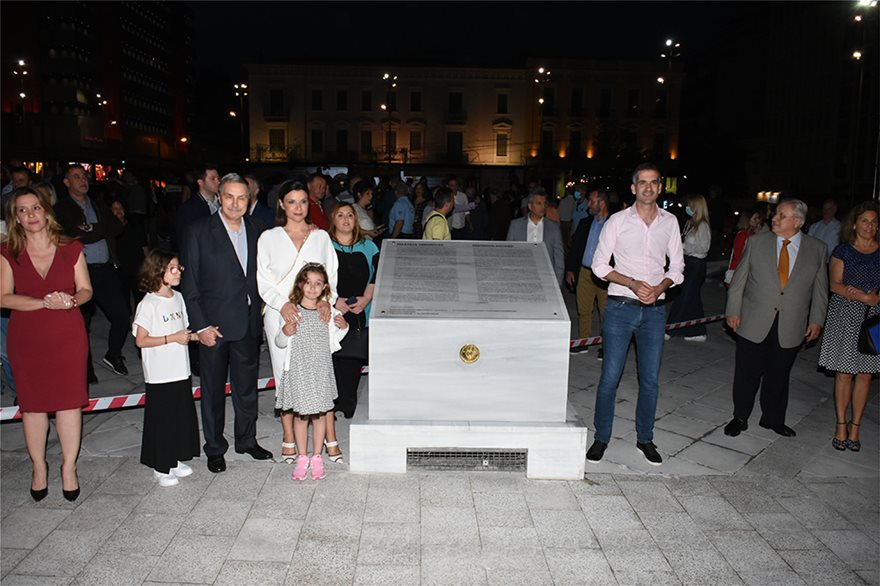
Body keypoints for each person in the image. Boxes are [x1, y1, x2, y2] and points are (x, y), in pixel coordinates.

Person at [586, 163, 685, 466]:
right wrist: (632, 283)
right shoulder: (617, 221)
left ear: (660, 187)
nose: (648, 187)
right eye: (642, 182)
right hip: (620, 308)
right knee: (610, 377)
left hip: (655, 311)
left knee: (650, 380)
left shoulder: (670, 222)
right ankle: (601, 437)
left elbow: (677, 267)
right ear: (633, 188)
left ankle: (645, 438)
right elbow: (599, 265)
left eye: (654, 182)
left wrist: (660, 287)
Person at [1, 187, 93, 501]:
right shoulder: (7, 252)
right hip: (27, 336)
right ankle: (38, 467)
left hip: (67, 334)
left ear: (46, 210)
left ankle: (69, 467)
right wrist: (44, 303)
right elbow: (3, 297)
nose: (31, 215)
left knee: (69, 403)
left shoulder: (71, 247)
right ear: (15, 217)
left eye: (35, 208)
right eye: (22, 210)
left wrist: (71, 301)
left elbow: (86, 290)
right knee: (33, 406)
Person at [180, 173, 273, 473]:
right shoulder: (198, 231)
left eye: (241, 197)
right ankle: (215, 448)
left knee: (247, 389)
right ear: (219, 197)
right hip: (214, 328)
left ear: (250, 199)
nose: (235, 203)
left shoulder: (259, 230)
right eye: (229, 196)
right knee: (213, 391)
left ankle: (246, 440)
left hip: (247, 324)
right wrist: (201, 327)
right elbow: (190, 285)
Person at [724, 199, 828, 439]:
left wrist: (816, 320)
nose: (774, 218)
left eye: (782, 215)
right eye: (776, 214)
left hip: (791, 323)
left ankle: (773, 419)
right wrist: (733, 310)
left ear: (797, 222)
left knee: (779, 375)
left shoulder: (817, 249)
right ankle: (740, 417)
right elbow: (739, 280)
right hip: (754, 320)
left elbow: (821, 290)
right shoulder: (757, 242)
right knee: (746, 374)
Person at [257, 180, 338, 464]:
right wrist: (282, 304)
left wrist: (327, 300)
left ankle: (322, 436)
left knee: (316, 372)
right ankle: (288, 436)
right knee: (285, 373)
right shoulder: (269, 237)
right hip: (280, 313)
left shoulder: (321, 237)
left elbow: (331, 275)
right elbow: (263, 280)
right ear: (281, 204)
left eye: (303, 201)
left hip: (315, 314)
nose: (298, 208)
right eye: (291, 202)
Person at [274, 263, 348, 481]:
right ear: (300, 284)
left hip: (320, 370)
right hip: (298, 371)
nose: (313, 288)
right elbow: (279, 342)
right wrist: (285, 332)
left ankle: (317, 456)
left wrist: (344, 328)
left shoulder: (328, 312)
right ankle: (302, 456)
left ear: (324, 286)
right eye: (308, 283)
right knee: (300, 416)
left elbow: (334, 341)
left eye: (318, 283)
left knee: (319, 416)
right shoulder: (291, 311)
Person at [55, 164, 130, 379]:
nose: (83, 180)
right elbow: (67, 235)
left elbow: (116, 227)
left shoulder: (97, 204)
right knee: (81, 322)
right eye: (76, 176)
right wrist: (94, 231)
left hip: (105, 268)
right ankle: (85, 366)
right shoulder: (61, 209)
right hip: (80, 273)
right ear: (67, 182)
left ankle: (113, 354)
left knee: (122, 315)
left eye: (84, 175)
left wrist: (90, 230)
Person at [133, 250, 200, 487]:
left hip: (180, 368)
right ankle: (161, 466)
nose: (178, 272)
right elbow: (141, 340)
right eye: (173, 268)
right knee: (162, 419)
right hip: (160, 373)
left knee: (179, 416)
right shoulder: (148, 303)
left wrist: (200, 336)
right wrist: (172, 338)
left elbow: (183, 332)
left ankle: (174, 458)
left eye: (179, 267)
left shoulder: (178, 297)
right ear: (158, 271)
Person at [817, 201, 879, 452]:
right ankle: (841, 424)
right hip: (846, 314)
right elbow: (834, 284)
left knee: (865, 375)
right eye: (865, 221)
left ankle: (856, 427)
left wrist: (874, 299)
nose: (869, 226)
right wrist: (863, 296)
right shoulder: (843, 251)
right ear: (854, 224)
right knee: (844, 373)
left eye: (874, 222)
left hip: (875, 317)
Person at [329, 203, 379, 430]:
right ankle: (331, 402)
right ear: (333, 220)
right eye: (340, 215)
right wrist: (334, 301)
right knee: (333, 359)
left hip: (360, 311)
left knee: (352, 359)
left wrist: (366, 298)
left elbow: (377, 274)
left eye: (350, 215)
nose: (346, 219)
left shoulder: (369, 246)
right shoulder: (324, 246)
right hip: (333, 310)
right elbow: (316, 275)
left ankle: (348, 402)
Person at [565, 188, 610, 355]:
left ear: (602, 203)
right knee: (583, 309)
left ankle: (606, 346)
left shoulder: (613, 224)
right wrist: (570, 269)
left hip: (605, 275)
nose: (588, 204)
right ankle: (583, 341)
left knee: (606, 311)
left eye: (592, 201)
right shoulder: (585, 223)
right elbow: (575, 248)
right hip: (584, 272)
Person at [666, 194, 711, 341]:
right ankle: (697, 331)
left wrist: (684, 246)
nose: (687, 208)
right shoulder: (690, 223)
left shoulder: (703, 225)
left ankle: (670, 329)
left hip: (696, 264)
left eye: (690, 206)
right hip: (688, 262)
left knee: (684, 296)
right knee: (692, 298)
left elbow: (703, 248)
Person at [506, 189, 565, 284]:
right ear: (530, 206)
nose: (543, 207)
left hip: (546, 278)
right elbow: (508, 254)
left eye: (545, 203)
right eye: (539, 203)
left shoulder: (553, 227)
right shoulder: (515, 226)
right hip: (522, 276)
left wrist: (558, 281)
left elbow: (559, 257)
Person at [109, 197, 148, 308]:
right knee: (123, 298)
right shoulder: (108, 229)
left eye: (120, 208)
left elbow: (144, 246)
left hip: (137, 266)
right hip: (120, 269)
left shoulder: (134, 225)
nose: (118, 211)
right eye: (115, 208)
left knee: (140, 297)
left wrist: (148, 264)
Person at [172, 164, 220, 253]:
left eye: (218, 178)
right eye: (213, 179)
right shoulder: (188, 209)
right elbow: (184, 242)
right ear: (201, 182)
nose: (218, 182)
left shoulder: (223, 204)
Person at [725, 208, 762, 287]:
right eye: (755, 218)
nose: (758, 221)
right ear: (748, 220)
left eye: (758, 218)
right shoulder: (742, 235)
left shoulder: (753, 234)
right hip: (740, 271)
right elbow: (738, 255)